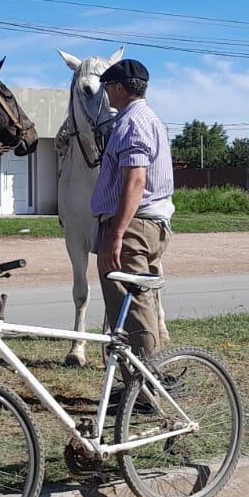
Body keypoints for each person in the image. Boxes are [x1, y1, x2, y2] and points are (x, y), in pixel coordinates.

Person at [90, 59, 175, 362]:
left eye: (108, 88)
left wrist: (116, 233)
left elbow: (136, 181)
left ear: (120, 88)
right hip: (146, 225)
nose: (107, 95)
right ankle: (142, 385)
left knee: (130, 312)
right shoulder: (150, 118)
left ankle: (143, 394)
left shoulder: (131, 122)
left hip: (132, 229)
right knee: (140, 304)